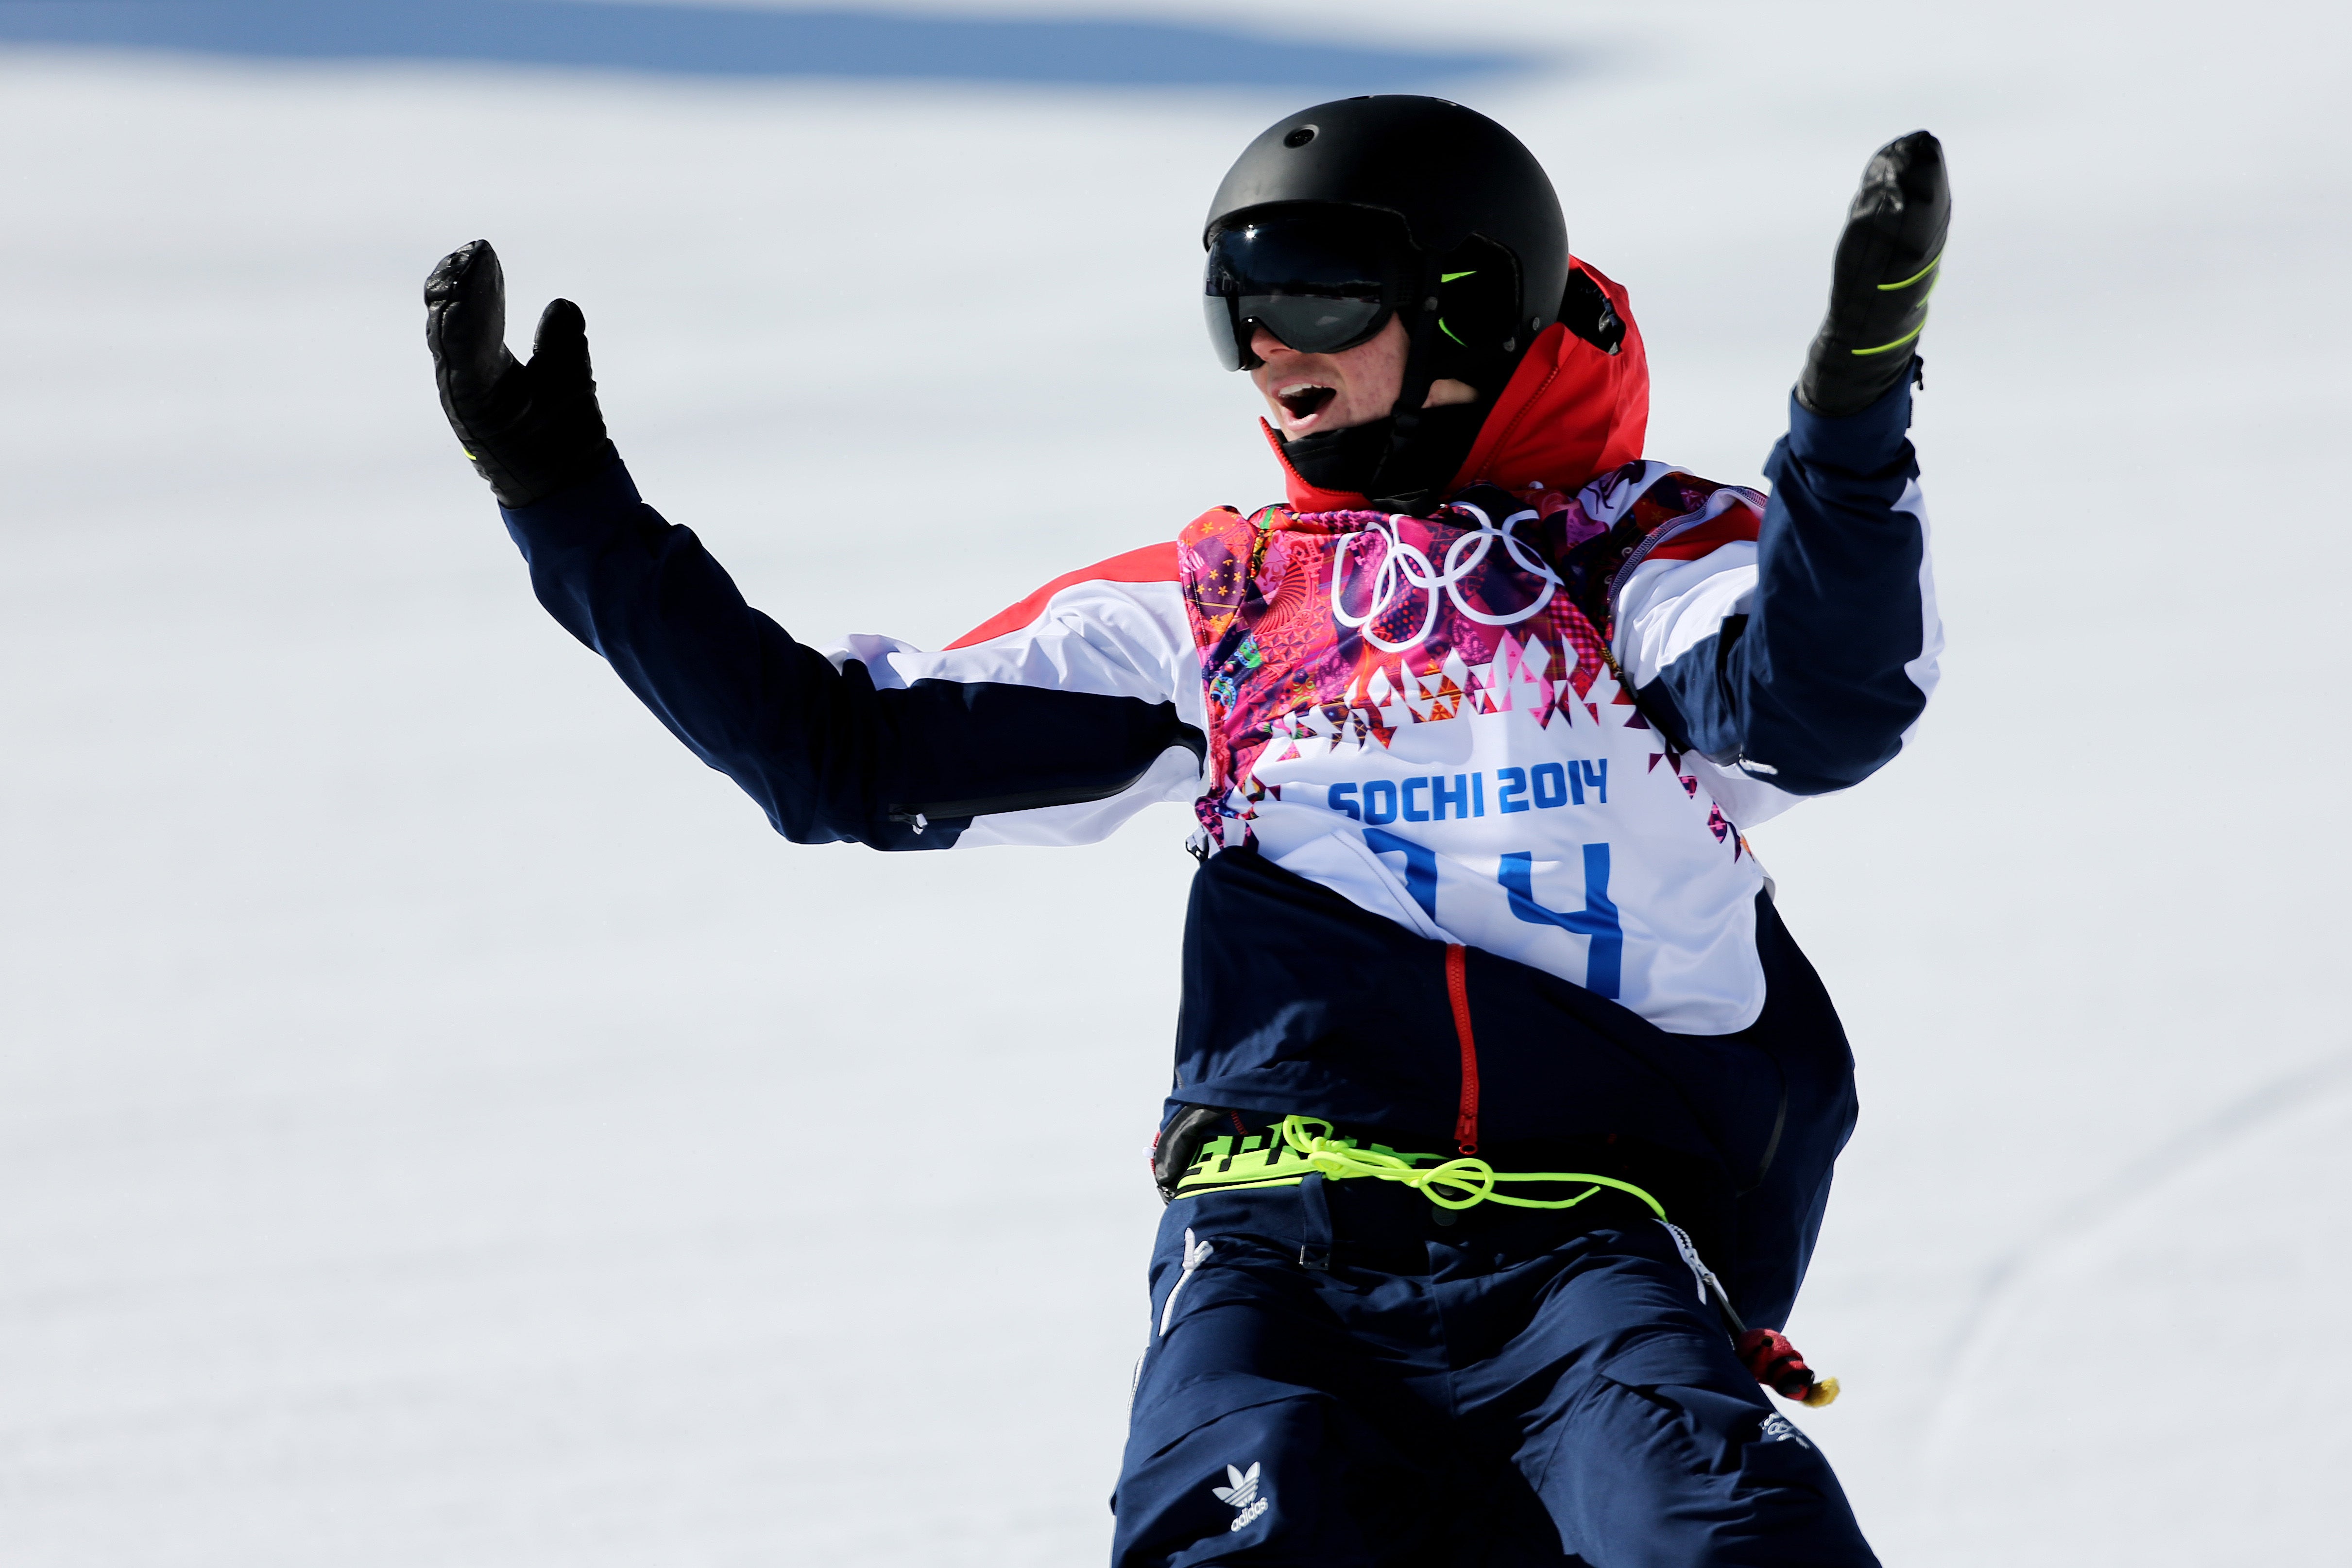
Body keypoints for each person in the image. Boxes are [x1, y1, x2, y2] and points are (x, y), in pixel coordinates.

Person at [424, 96, 1945, 1568]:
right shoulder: (1215, 610)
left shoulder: (1635, 554)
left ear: (1471, 306)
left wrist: (1852, 419)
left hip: (1586, 1251)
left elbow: (1815, 701)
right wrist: (563, 497)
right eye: (1237, 305)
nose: (1270, 342)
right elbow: (841, 758)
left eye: (1317, 294)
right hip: (1275, 1245)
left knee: (1725, 1539)